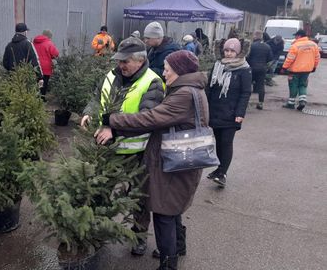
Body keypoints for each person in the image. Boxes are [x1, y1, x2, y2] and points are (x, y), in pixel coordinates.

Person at [95, 50, 207, 270]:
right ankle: (178, 246)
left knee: (164, 212)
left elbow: (151, 118)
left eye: (167, 69)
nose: (163, 73)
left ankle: (168, 264)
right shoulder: (189, 89)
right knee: (173, 207)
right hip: (182, 159)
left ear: (180, 71)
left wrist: (113, 120)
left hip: (176, 161)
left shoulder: (183, 95)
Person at [80, 36, 165, 256]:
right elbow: (96, 98)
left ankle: (138, 236)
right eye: (119, 60)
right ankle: (98, 229)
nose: (121, 65)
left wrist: (114, 129)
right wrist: (89, 112)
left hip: (137, 153)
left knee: (138, 197)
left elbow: (147, 118)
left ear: (139, 60)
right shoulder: (110, 75)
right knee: (101, 190)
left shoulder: (152, 82)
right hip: (107, 148)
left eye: (126, 61)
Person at [206, 38, 252, 188]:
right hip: (216, 111)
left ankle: (223, 173)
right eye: (227, 50)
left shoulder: (244, 69)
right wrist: (205, 106)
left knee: (226, 142)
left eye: (232, 51)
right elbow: (210, 88)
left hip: (232, 113)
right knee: (218, 142)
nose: (229, 53)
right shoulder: (218, 65)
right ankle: (219, 168)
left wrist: (240, 113)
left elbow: (245, 93)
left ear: (238, 52)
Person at [281, 29, 320, 110]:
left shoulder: (295, 45)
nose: (295, 37)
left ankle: (291, 103)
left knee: (293, 85)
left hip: (294, 70)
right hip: (307, 70)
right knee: (303, 85)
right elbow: (317, 58)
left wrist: (284, 67)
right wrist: (314, 67)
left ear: (299, 36)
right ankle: (302, 101)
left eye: (296, 36)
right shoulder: (314, 45)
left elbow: (290, 58)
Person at [247, 30, 273, 110]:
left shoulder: (251, 46)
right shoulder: (267, 46)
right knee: (261, 85)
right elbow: (270, 58)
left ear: (254, 36)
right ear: (261, 37)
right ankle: (260, 103)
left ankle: (246, 102)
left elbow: (247, 57)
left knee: (247, 85)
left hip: (251, 68)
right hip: (262, 68)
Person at [33, 29, 59, 101]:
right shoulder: (49, 43)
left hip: (36, 66)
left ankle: (35, 98)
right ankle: (42, 98)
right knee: (44, 83)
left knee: (37, 81)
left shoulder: (34, 42)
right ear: (49, 36)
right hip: (45, 67)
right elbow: (56, 54)